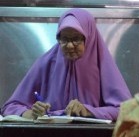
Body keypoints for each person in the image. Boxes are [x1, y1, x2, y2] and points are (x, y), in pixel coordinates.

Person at [1, 8, 131, 120]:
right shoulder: (46, 63)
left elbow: (126, 110)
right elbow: (10, 107)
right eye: (64, 39)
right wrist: (30, 113)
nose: (69, 45)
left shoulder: (102, 64)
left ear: (89, 37)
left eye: (76, 39)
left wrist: (88, 111)